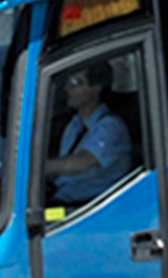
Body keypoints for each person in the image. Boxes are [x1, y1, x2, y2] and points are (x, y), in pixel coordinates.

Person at [47, 60, 133, 205]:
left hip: (90, 206)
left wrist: (37, 168)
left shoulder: (111, 128)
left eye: (76, 83)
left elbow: (82, 163)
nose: (68, 88)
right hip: (63, 198)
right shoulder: (74, 125)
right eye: (68, 82)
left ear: (96, 88)